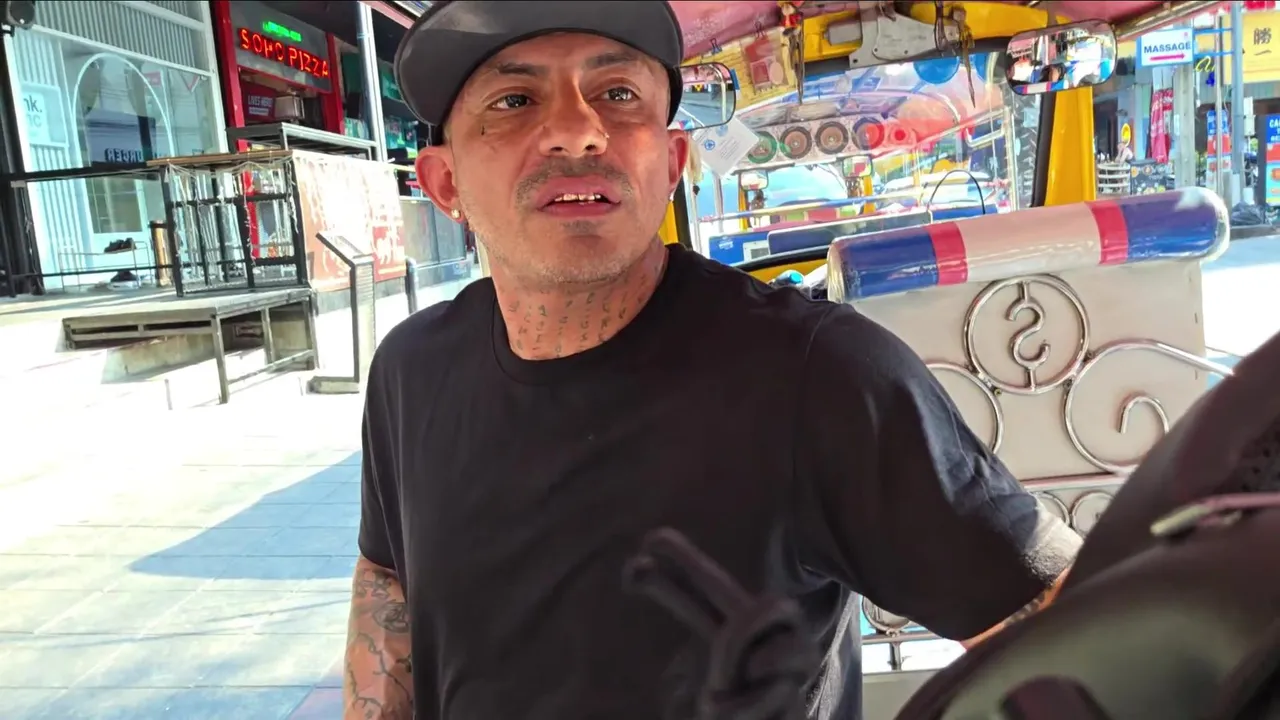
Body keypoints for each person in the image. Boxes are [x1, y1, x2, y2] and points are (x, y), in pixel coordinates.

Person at [345, 2, 1083, 719]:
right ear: (444, 184)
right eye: (514, 100)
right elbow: (387, 579)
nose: (577, 131)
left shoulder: (819, 374)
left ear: (671, 164)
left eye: (617, 94)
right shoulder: (409, 372)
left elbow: (1071, 632)